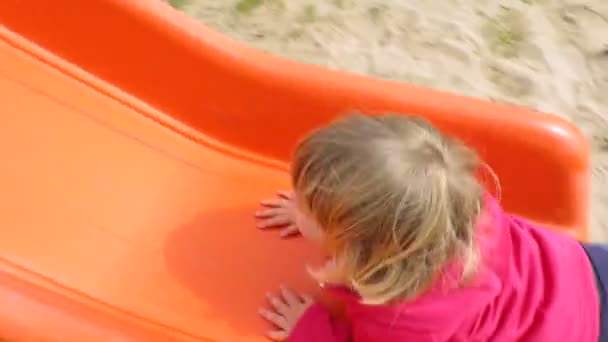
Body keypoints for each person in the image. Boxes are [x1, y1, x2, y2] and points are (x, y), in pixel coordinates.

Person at [254, 113, 601, 341]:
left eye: (307, 205)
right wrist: (323, 218)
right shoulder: (448, 201)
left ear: (361, 249)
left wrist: (311, 330)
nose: (293, 200)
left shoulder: (404, 318)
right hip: (582, 267)